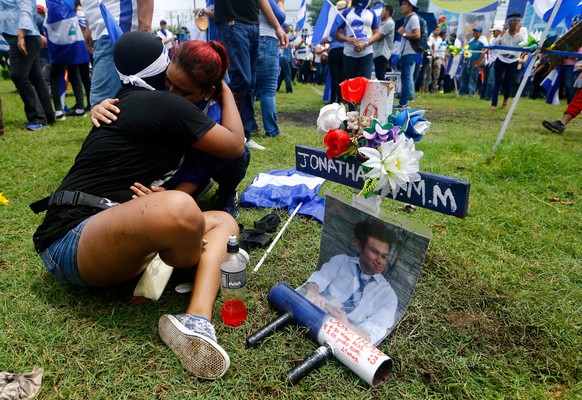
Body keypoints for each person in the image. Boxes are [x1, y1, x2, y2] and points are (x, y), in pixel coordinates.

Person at [32, 31, 245, 380]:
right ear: (164, 70)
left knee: (223, 221)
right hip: (71, 239)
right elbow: (234, 143)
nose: (173, 92)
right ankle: (195, 255)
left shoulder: (140, 99)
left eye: (180, 88)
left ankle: (197, 321)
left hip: (111, 236)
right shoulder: (164, 103)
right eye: (168, 83)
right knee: (179, 207)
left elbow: (234, 152)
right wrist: (226, 91)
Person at [298, 220, 398, 345]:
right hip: (314, 316)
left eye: (384, 256)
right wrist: (314, 292)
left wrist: (347, 326)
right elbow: (317, 280)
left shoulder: (388, 296)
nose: (380, 261)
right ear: (358, 246)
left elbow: (373, 333)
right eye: (374, 252)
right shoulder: (341, 262)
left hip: (343, 341)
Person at [214, 0, 288, 152]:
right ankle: (226, 130)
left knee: (250, 83)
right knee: (242, 80)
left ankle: (245, 135)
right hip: (232, 22)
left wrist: (277, 27)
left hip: (253, 25)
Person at [80, 0, 153, 109]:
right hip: (101, 31)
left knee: (102, 102)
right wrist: (89, 27)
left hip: (116, 29)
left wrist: (144, 32)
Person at [0, 0, 55, 130]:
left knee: (18, 75)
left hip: (22, 37)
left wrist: (21, 35)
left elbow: (25, 8)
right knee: (37, 78)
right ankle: (47, 116)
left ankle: (38, 118)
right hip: (28, 36)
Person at [45, 0, 92, 119]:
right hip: (75, 44)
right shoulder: (74, 11)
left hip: (59, 44)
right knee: (76, 75)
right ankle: (81, 108)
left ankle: (59, 111)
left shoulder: (53, 7)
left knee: (55, 75)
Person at [250, 0, 288, 139]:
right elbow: (280, 16)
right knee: (268, 89)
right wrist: (280, 2)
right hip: (266, 38)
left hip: (252, 37)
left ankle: (250, 125)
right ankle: (271, 130)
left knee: (251, 87)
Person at [490, 12, 526, 110]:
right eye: (511, 21)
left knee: (508, 81)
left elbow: (525, 45)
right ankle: (494, 104)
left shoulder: (520, 35)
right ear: (508, 23)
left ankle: (506, 99)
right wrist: (502, 32)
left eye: (515, 21)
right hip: (501, 58)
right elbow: (494, 43)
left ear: (518, 22)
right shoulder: (504, 33)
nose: (513, 23)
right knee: (497, 81)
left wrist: (519, 31)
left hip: (513, 60)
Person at [396, 0, 421, 108]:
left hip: (409, 52)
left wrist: (404, 33)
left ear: (411, 6)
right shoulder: (408, 18)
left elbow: (417, 34)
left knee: (406, 77)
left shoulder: (413, 18)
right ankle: (404, 100)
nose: (402, 6)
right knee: (405, 77)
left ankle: (403, 102)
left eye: (405, 4)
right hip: (406, 52)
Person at [326, 1, 347, 103]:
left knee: (334, 76)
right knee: (342, 76)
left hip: (333, 50)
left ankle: (332, 99)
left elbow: (328, 37)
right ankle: (341, 98)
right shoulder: (346, 18)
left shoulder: (333, 19)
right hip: (344, 50)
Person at [459, 26, 487, 97]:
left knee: (473, 78)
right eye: (474, 31)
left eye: (477, 31)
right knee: (464, 77)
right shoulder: (471, 41)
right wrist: (465, 59)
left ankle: (471, 93)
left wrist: (478, 63)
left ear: (480, 33)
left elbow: (482, 53)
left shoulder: (483, 41)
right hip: (468, 61)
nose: (475, 33)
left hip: (475, 61)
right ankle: (462, 92)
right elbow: (467, 50)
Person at [372, 3, 395, 81]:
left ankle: (385, 93)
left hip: (382, 53)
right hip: (377, 53)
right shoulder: (382, 22)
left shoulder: (389, 23)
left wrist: (366, 42)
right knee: (379, 75)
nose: (381, 13)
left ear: (387, 12)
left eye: (382, 11)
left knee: (381, 77)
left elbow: (379, 36)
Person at [277, 23, 294, 94]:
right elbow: (291, 39)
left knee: (282, 74)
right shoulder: (282, 35)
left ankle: (276, 88)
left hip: (284, 57)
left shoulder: (283, 35)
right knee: (288, 73)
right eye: (288, 27)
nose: (289, 29)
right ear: (284, 28)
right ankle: (289, 90)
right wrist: (295, 34)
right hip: (283, 57)